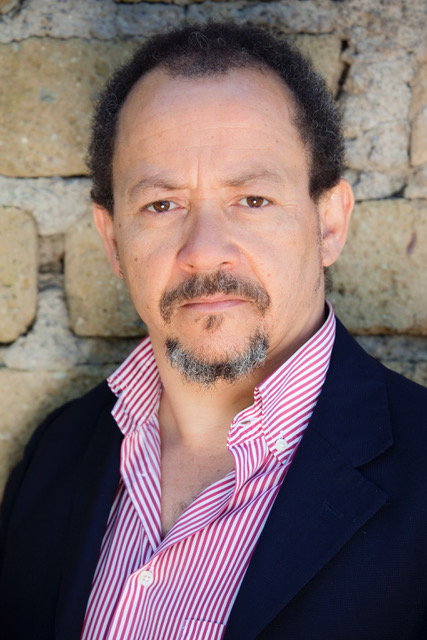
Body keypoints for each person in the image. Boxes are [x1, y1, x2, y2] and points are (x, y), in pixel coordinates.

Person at [0, 21, 426, 640]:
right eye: (161, 205)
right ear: (113, 240)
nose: (204, 250)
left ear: (329, 224)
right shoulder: (55, 454)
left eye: (252, 200)